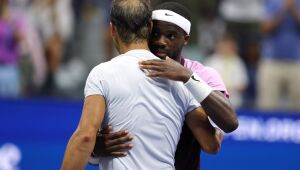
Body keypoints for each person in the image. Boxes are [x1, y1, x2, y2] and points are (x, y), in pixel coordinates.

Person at [61, 0, 223, 169]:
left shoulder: (102, 74)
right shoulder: (179, 79)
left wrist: (94, 146)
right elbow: (211, 144)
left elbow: (85, 138)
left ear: (112, 29)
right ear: (149, 27)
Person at [257, 0, 300, 110]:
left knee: (297, 107)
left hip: (296, 61)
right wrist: (283, 9)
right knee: (267, 106)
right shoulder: (270, 2)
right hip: (271, 61)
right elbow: (264, 28)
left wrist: (293, 9)